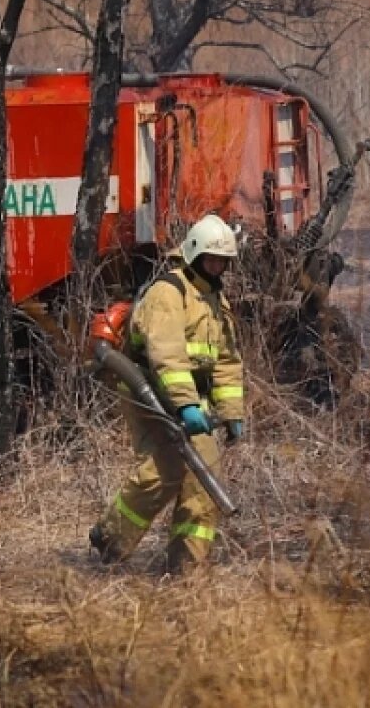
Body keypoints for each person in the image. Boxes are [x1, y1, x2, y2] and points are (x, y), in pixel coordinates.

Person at [89, 215, 246, 573]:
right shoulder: (168, 293)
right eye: (211, 259)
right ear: (192, 255)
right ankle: (109, 539)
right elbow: (168, 357)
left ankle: (187, 569)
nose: (217, 267)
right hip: (148, 390)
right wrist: (187, 406)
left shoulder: (215, 301)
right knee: (170, 466)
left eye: (223, 261)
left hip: (186, 398)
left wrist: (231, 410)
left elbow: (226, 360)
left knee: (204, 480)